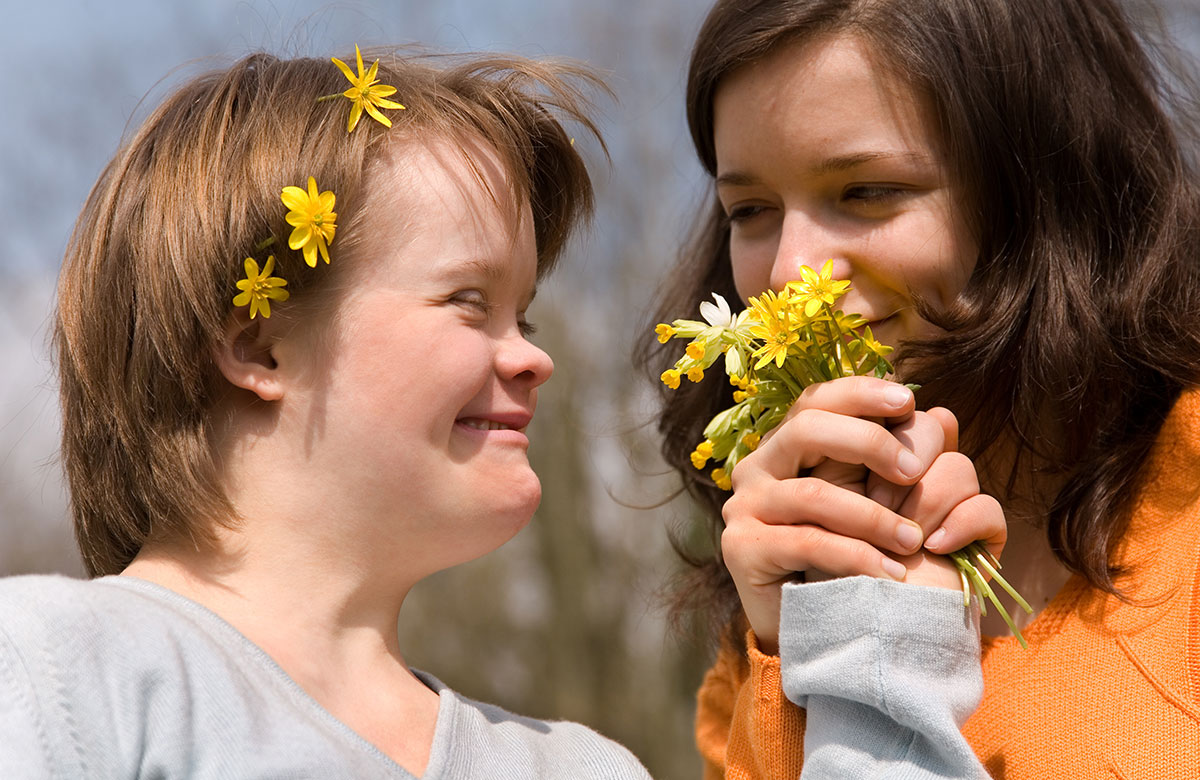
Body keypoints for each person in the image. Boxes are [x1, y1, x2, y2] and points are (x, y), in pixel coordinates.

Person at [0, 47, 651, 779]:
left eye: (524, 320)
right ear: (262, 345)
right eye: (470, 302)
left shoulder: (580, 768)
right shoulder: (54, 676)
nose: (535, 359)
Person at [638, 0, 1200, 776]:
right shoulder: (763, 640)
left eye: (867, 192)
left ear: (1044, 188)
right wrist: (810, 654)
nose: (788, 272)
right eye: (751, 210)